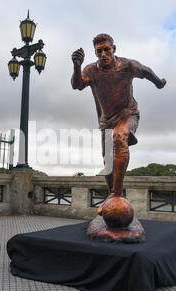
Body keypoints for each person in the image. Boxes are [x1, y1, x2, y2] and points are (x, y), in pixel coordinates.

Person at [71, 33, 166, 214]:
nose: (104, 54)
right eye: (99, 51)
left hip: (128, 114)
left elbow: (146, 72)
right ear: (96, 53)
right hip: (106, 121)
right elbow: (77, 85)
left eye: (107, 49)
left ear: (114, 49)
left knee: (119, 136)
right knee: (107, 163)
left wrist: (159, 83)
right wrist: (77, 66)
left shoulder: (128, 66)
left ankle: (117, 193)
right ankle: (111, 196)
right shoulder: (91, 71)